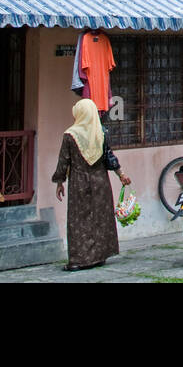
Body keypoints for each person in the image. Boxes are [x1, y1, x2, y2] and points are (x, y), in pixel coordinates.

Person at [52, 98, 131, 271]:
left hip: (79, 182)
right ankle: (99, 256)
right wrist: (121, 175)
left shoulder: (70, 135)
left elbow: (63, 161)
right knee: (100, 219)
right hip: (100, 181)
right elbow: (109, 157)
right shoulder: (100, 133)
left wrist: (59, 182)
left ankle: (78, 260)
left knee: (79, 221)